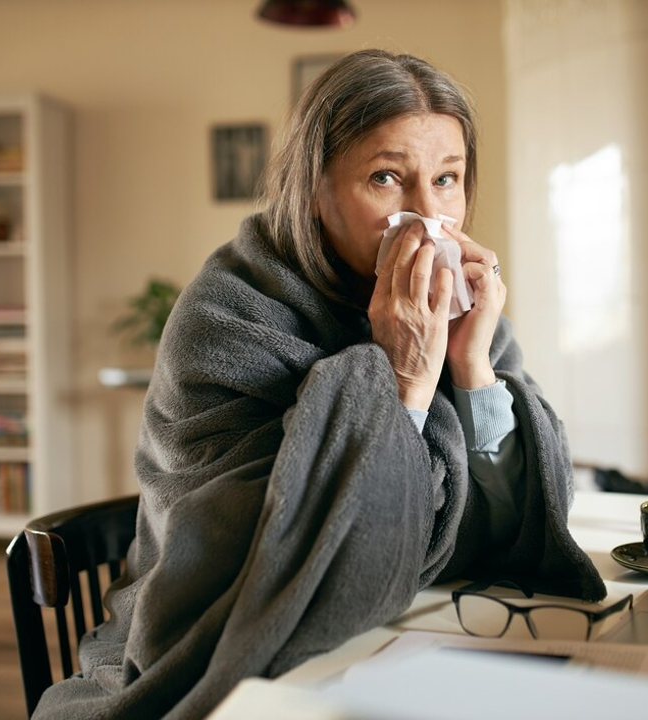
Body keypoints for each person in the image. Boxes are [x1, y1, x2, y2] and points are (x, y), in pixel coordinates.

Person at [34, 49, 605, 720]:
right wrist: (404, 376)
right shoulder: (228, 316)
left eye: (447, 180)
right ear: (312, 188)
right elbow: (291, 569)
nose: (428, 217)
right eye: (387, 178)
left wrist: (474, 371)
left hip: (410, 633)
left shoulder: (459, 307)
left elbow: (512, 528)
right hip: (234, 645)